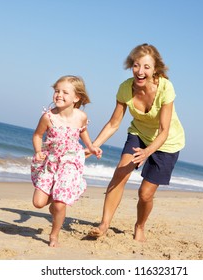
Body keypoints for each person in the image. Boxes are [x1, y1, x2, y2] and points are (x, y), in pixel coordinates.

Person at [87, 43, 185, 242]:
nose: (140, 72)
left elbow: (164, 131)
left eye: (146, 67)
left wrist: (148, 152)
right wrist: (93, 145)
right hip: (138, 133)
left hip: (166, 143)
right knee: (121, 171)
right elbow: (114, 124)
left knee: (145, 194)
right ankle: (104, 224)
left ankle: (140, 225)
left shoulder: (166, 88)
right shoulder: (125, 88)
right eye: (136, 66)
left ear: (155, 69)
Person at [31, 75, 102, 247]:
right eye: (57, 91)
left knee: (60, 203)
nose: (59, 95)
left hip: (70, 162)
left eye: (65, 92)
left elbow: (83, 131)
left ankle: (54, 235)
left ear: (76, 98)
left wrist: (91, 147)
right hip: (52, 161)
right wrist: (38, 151)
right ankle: (55, 202)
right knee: (38, 203)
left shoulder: (81, 116)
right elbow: (38, 135)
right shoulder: (48, 117)